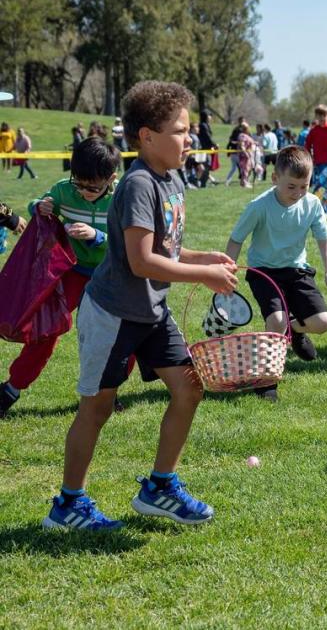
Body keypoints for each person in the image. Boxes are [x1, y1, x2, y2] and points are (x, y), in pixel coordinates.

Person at [42, 81, 239, 531]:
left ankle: (159, 488)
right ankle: (68, 504)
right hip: (113, 312)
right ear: (147, 136)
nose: (189, 139)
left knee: (189, 388)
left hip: (151, 311)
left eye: (188, 130)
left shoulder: (172, 179)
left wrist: (203, 257)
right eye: (180, 130)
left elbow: (165, 250)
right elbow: (141, 260)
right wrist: (205, 277)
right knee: (97, 408)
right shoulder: (138, 185)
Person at [0, 138, 126, 419]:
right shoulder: (63, 190)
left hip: (111, 276)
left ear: (111, 179)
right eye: (78, 184)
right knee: (47, 329)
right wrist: (39, 206)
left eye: (92, 187)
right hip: (73, 273)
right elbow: (41, 204)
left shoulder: (123, 197)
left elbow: (132, 241)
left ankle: (109, 392)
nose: (83, 192)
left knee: (117, 336)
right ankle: (11, 389)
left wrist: (98, 237)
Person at [225, 146, 327, 401]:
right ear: (275, 178)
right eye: (291, 186)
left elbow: (324, 240)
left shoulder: (312, 204)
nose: (298, 193)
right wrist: (228, 269)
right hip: (263, 271)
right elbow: (236, 240)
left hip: (296, 271)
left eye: (304, 186)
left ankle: (295, 330)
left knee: (322, 323)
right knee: (275, 320)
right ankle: (267, 379)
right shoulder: (259, 206)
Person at [197, 110, 219, 187]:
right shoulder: (203, 125)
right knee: (204, 167)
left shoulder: (206, 125)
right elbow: (207, 137)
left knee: (207, 166)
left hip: (207, 149)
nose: (210, 117)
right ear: (206, 116)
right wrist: (214, 144)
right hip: (202, 150)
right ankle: (201, 183)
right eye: (209, 115)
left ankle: (204, 183)